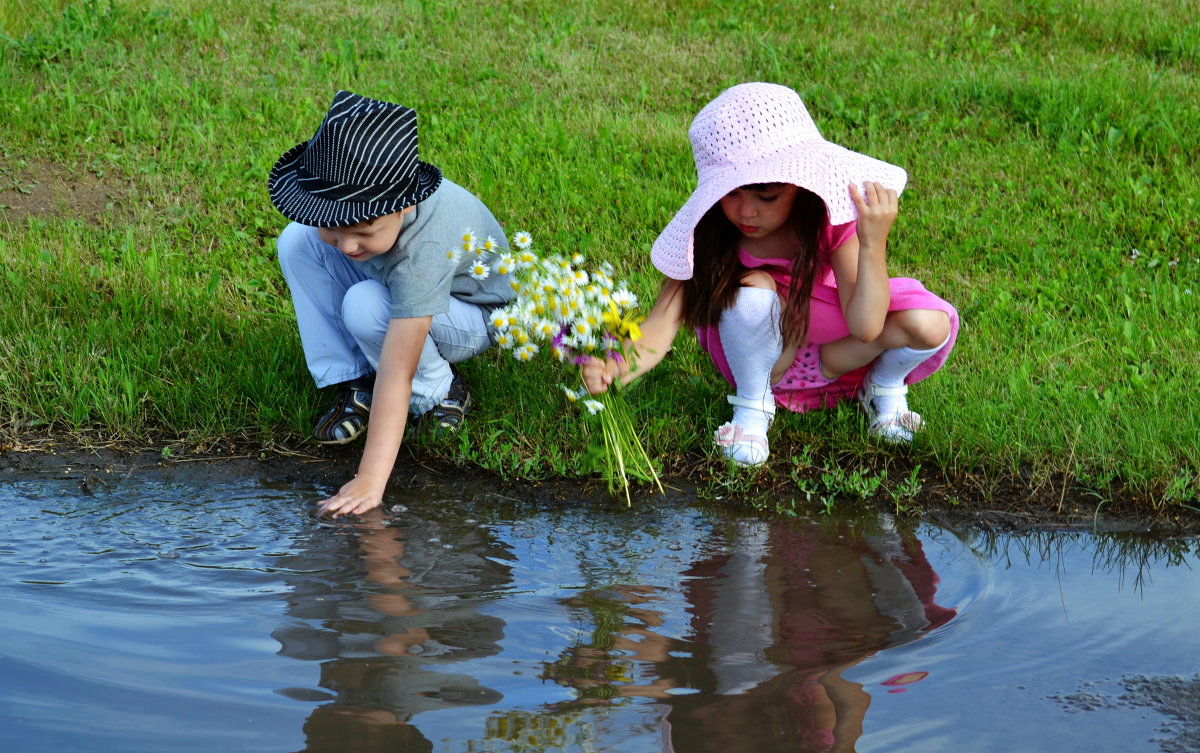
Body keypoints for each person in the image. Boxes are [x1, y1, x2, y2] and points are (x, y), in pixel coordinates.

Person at [582, 82, 959, 466]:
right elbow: (660, 324)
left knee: (929, 323)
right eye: (731, 194)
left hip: (836, 357)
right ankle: (752, 410)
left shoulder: (826, 219)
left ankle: (881, 387)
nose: (746, 212)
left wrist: (872, 242)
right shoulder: (711, 235)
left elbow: (866, 326)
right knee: (753, 290)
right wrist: (615, 367)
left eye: (766, 197)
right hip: (766, 363)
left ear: (798, 185)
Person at [268, 90, 514, 515]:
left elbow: (398, 373)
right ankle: (355, 380)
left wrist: (369, 481)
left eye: (364, 231)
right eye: (332, 225)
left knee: (366, 307)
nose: (346, 245)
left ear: (405, 205)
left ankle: (441, 390)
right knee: (296, 240)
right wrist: (341, 235)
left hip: (473, 314)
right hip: (402, 283)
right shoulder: (363, 230)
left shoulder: (427, 244)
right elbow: (339, 236)